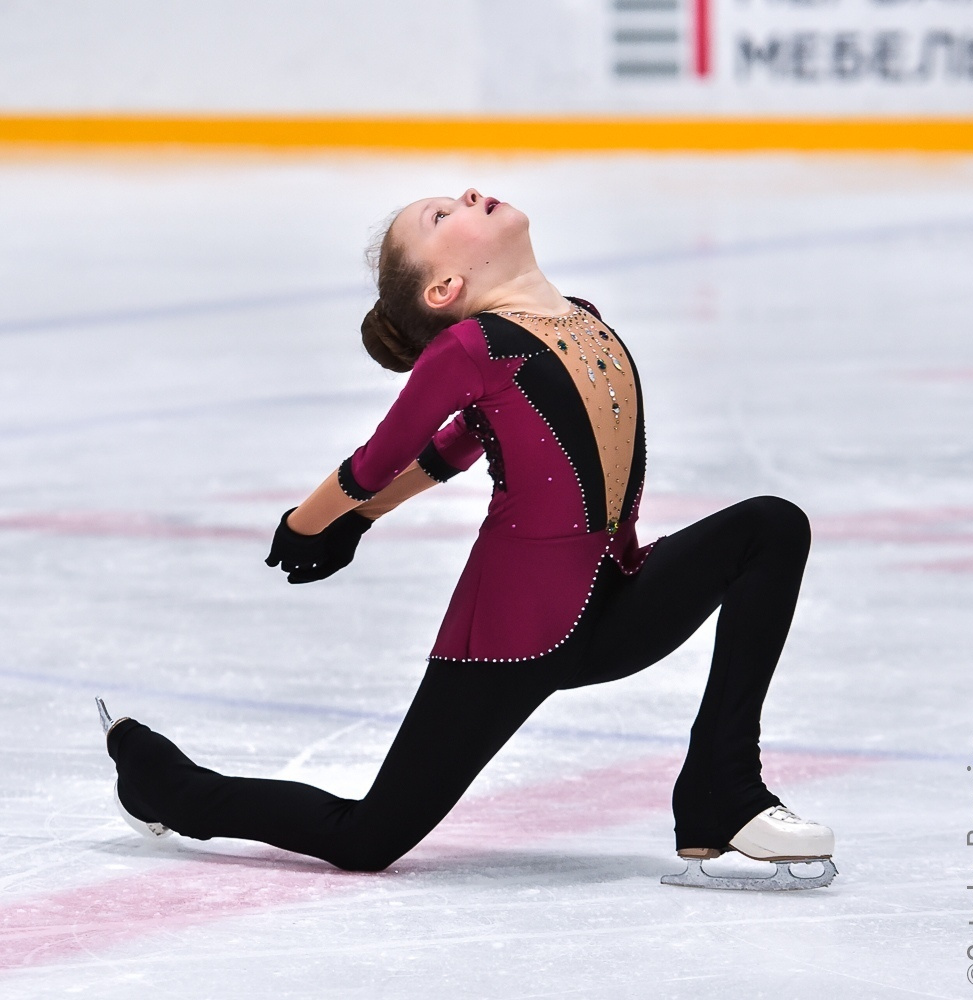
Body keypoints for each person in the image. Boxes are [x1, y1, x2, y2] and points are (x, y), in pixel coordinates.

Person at [98, 188, 837, 891]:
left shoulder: (581, 316)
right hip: (512, 637)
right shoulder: (468, 347)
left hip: (617, 601)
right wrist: (313, 520)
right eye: (442, 214)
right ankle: (167, 784)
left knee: (770, 526)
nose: (468, 193)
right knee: (366, 838)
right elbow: (377, 460)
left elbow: (455, 449)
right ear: (445, 286)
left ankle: (721, 787)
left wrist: (364, 517)